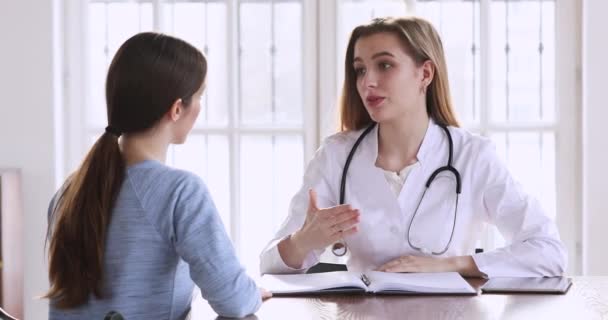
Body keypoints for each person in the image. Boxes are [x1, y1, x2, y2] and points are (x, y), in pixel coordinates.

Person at [259, 17, 566, 278]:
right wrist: (302, 242)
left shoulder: (472, 156)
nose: (368, 82)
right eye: (360, 69)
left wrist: (451, 266)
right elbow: (269, 267)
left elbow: (548, 252)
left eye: (385, 65)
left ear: (425, 74)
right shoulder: (335, 156)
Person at [45, 32, 268, 319]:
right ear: (177, 109)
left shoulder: (69, 192)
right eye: (199, 96)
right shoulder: (180, 192)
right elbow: (235, 301)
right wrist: (249, 293)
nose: (200, 107)